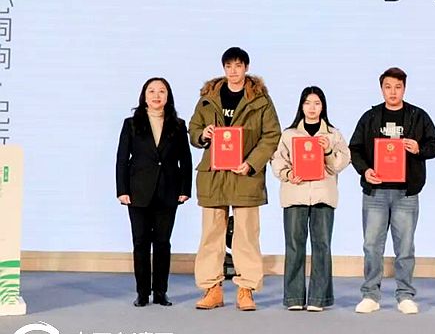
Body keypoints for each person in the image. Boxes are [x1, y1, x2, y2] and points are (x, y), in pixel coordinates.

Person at [189, 47, 281, 311]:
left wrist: (251, 163)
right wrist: (203, 135)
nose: (233, 71)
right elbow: (193, 129)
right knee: (211, 236)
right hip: (214, 175)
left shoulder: (260, 100)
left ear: (246, 68)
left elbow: (271, 135)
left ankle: (246, 290)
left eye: (238, 66)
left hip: (245, 176)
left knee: (247, 236)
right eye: (228, 66)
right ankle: (212, 289)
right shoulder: (208, 98)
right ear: (224, 68)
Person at [349, 67, 435, 314]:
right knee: (371, 246)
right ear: (381, 89)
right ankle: (370, 294)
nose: (393, 92)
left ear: (404, 89)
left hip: (406, 193)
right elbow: (354, 148)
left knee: (405, 247)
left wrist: (418, 148)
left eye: (398, 87)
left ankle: (405, 295)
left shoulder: (417, 116)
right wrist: (365, 170)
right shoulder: (370, 117)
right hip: (376, 192)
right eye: (388, 87)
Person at [271, 86, 351, 312]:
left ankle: (319, 298)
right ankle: (294, 297)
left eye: (317, 103)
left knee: (322, 246)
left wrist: (327, 151)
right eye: (307, 103)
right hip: (294, 195)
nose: (312, 108)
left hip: (323, 196)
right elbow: (277, 160)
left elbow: (341, 163)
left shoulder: (333, 134)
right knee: (294, 246)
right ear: (301, 106)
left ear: (323, 106)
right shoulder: (289, 134)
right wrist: (288, 174)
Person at [116, 77, 192, 307]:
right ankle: (142, 293)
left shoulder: (178, 124)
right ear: (144, 96)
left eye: (161, 91)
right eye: (151, 91)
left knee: (162, 243)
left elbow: (185, 159)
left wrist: (185, 188)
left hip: (168, 190)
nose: (156, 95)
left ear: (168, 96)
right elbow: (122, 159)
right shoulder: (131, 123)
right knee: (140, 242)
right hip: (137, 191)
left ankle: (160, 292)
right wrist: (122, 190)